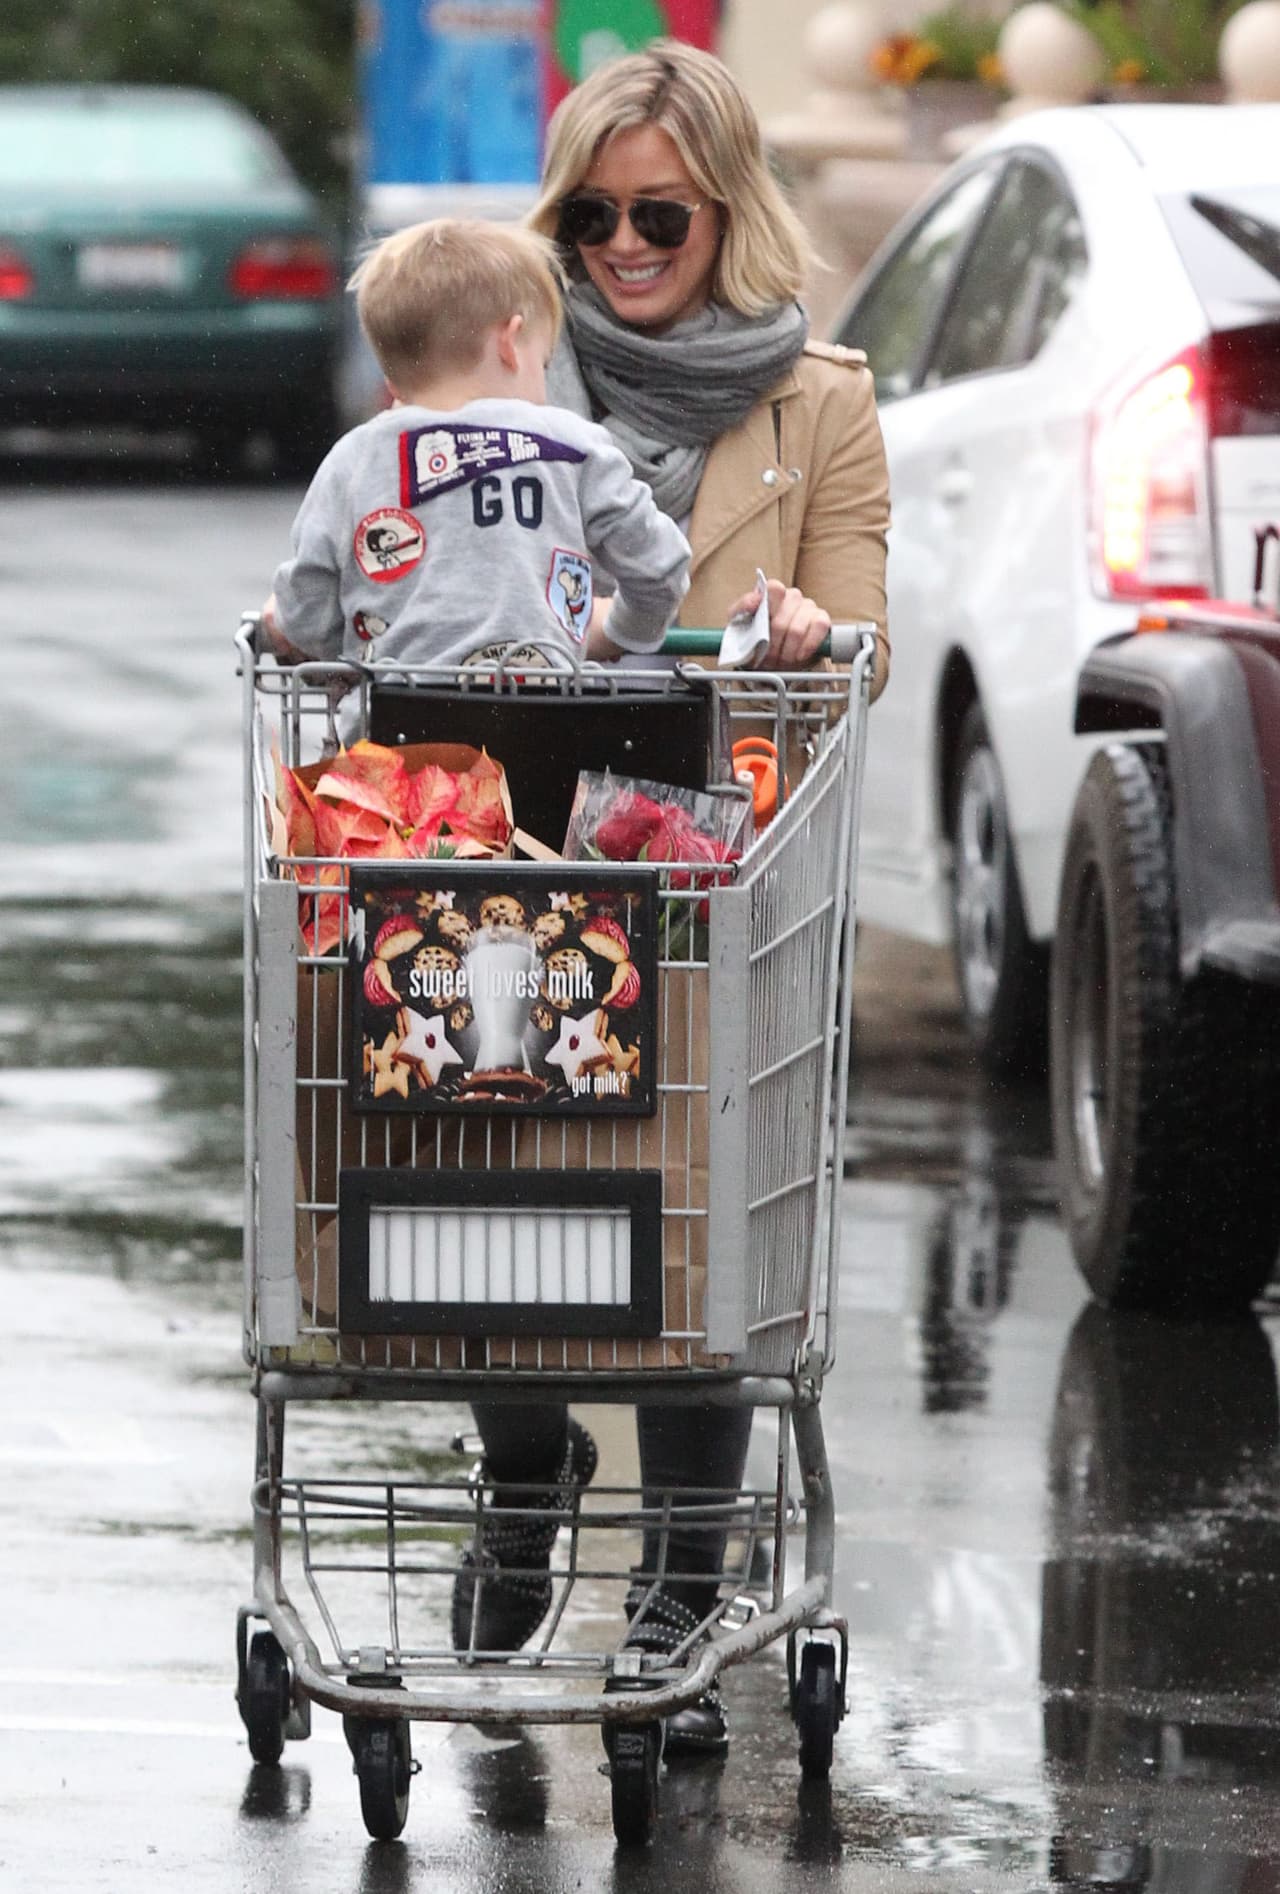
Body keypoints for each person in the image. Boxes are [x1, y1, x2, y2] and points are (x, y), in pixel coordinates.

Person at [453, 40, 890, 1758]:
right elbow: (378, 559)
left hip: (722, 843)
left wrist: (797, 629)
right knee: (476, 1135)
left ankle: (685, 1569)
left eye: (664, 216)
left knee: (695, 1182)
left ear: (729, 213)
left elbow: (864, 635)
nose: (626, 247)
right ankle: (524, 1459)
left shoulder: (821, 402)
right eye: (595, 214)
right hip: (512, 830)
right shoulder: (493, 362)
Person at [261, 218, 691, 721]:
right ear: (510, 343)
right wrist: (626, 633)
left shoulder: (353, 461)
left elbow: (307, 603)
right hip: (548, 736)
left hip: (393, 749)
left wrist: (299, 631)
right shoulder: (573, 446)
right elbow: (660, 568)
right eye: (544, 362)